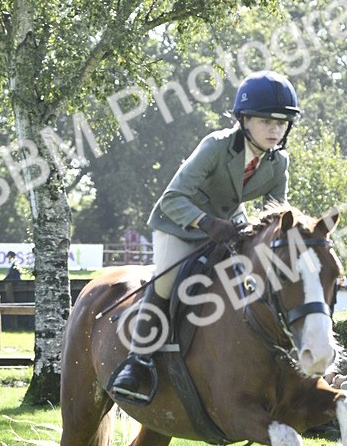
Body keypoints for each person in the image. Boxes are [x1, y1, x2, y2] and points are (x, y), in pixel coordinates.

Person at [111, 70, 300, 402]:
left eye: (282, 123)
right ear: (244, 121)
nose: (275, 130)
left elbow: (275, 214)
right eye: (266, 121)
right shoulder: (215, 146)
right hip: (181, 223)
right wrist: (207, 223)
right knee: (168, 282)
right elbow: (171, 199)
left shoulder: (279, 162)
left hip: (229, 227)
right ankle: (137, 360)